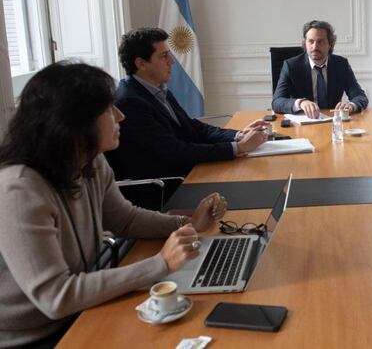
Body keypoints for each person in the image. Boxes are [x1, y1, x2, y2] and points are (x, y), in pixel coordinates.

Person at [0, 62, 227, 347]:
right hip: (38, 337)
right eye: (109, 110)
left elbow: (125, 219)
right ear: (73, 124)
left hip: (84, 309)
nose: (120, 116)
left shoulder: (89, 160)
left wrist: (188, 224)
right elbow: (57, 298)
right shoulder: (19, 189)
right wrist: (161, 263)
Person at [108, 27, 268, 181]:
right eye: (164, 56)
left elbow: (193, 128)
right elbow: (175, 152)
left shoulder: (158, 89)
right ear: (141, 63)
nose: (172, 61)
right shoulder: (130, 102)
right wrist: (238, 147)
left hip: (189, 171)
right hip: (169, 186)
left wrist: (238, 135)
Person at [272, 20, 369, 119]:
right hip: (303, 124)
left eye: (320, 42)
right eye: (311, 41)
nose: (314, 47)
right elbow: (277, 101)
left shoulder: (341, 64)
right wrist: (300, 103)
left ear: (330, 44)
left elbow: (360, 96)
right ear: (305, 43)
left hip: (332, 122)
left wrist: (351, 105)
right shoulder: (291, 66)